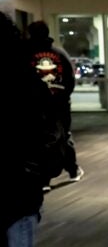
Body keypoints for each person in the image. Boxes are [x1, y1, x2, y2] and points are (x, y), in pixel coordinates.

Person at [1, 12, 62, 247]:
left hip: (15, 197)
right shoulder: (27, 80)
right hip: (18, 200)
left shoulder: (22, 81)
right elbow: (50, 135)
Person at [27, 20, 83, 185]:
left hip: (34, 106)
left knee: (37, 140)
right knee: (64, 136)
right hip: (59, 104)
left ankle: (44, 179)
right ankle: (72, 170)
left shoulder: (24, 54)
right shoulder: (59, 53)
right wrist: (64, 96)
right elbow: (70, 78)